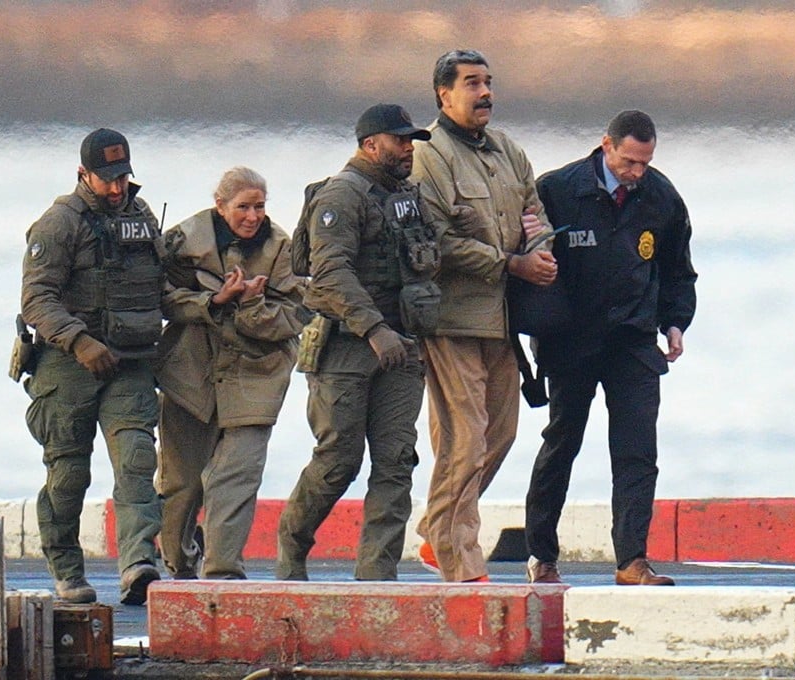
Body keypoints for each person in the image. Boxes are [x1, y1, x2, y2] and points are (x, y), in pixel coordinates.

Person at [525, 110, 697, 586]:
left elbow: (678, 269)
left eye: (644, 163)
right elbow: (528, 265)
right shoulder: (558, 190)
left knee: (638, 450)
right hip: (571, 339)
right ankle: (542, 556)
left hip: (632, 339)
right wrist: (537, 328)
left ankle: (631, 561)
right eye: (628, 162)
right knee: (563, 443)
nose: (636, 173)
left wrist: (676, 323)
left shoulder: (660, 196)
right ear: (606, 146)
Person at [409, 49, 557, 582]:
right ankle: (461, 561)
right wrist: (510, 262)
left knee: (500, 434)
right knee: (463, 438)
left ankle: (435, 528)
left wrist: (538, 248)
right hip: (451, 319)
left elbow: (534, 210)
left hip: (502, 319)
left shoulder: (507, 151)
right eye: (472, 83)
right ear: (444, 94)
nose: (485, 92)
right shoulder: (430, 154)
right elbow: (437, 237)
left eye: (489, 81)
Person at [276, 104, 436, 581]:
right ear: (371, 145)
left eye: (411, 141)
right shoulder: (342, 197)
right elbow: (330, 273)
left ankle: (377, 573)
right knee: (338, 459)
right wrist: (373, 329)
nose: (408, 149)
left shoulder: (407, 196)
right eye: (399, 140)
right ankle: (292, 547)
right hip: (347, 347)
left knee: (396, 462)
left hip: (402, 348)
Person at [21, 128, 163, 604]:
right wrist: (80, 341)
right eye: (107, 179)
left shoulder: (140, 217)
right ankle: (66, 569)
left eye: (123, 176)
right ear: (83, 175)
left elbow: (159, 286)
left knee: (137, 460)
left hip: (129, 362)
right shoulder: (58, 224)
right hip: (68, 365)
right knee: (68, 473)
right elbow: (36, 300)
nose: (118, 187)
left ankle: (140, 563)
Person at [153, 167, 304, 580]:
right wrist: (213, 300)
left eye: (259, 206)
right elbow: (159, 297)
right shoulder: (183, 242)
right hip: (191, 374)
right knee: (180, 482)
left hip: (256, 376)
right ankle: (179, 559)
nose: (253, 216)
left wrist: (252, 305)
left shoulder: (282, 250)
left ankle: (222, 572)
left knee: (236, 477)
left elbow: (297, 313)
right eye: (243, 207)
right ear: (220, 206)